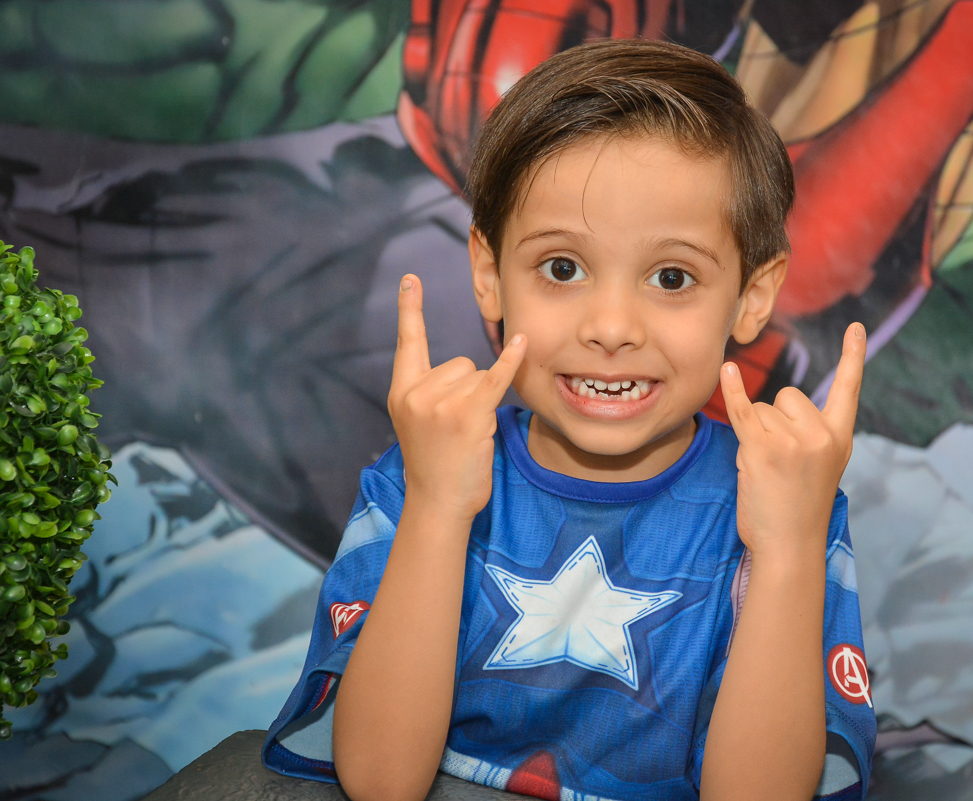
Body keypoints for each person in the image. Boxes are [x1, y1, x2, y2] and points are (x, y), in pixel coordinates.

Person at [262, 39, 875, 801]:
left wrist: (786, 550)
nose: (611, 325)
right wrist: (437, 506)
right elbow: (381, 780)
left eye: (672, 276)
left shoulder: (784, 506)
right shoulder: (422, 472)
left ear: (753, 294)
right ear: (489, 275)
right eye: (562, 268)